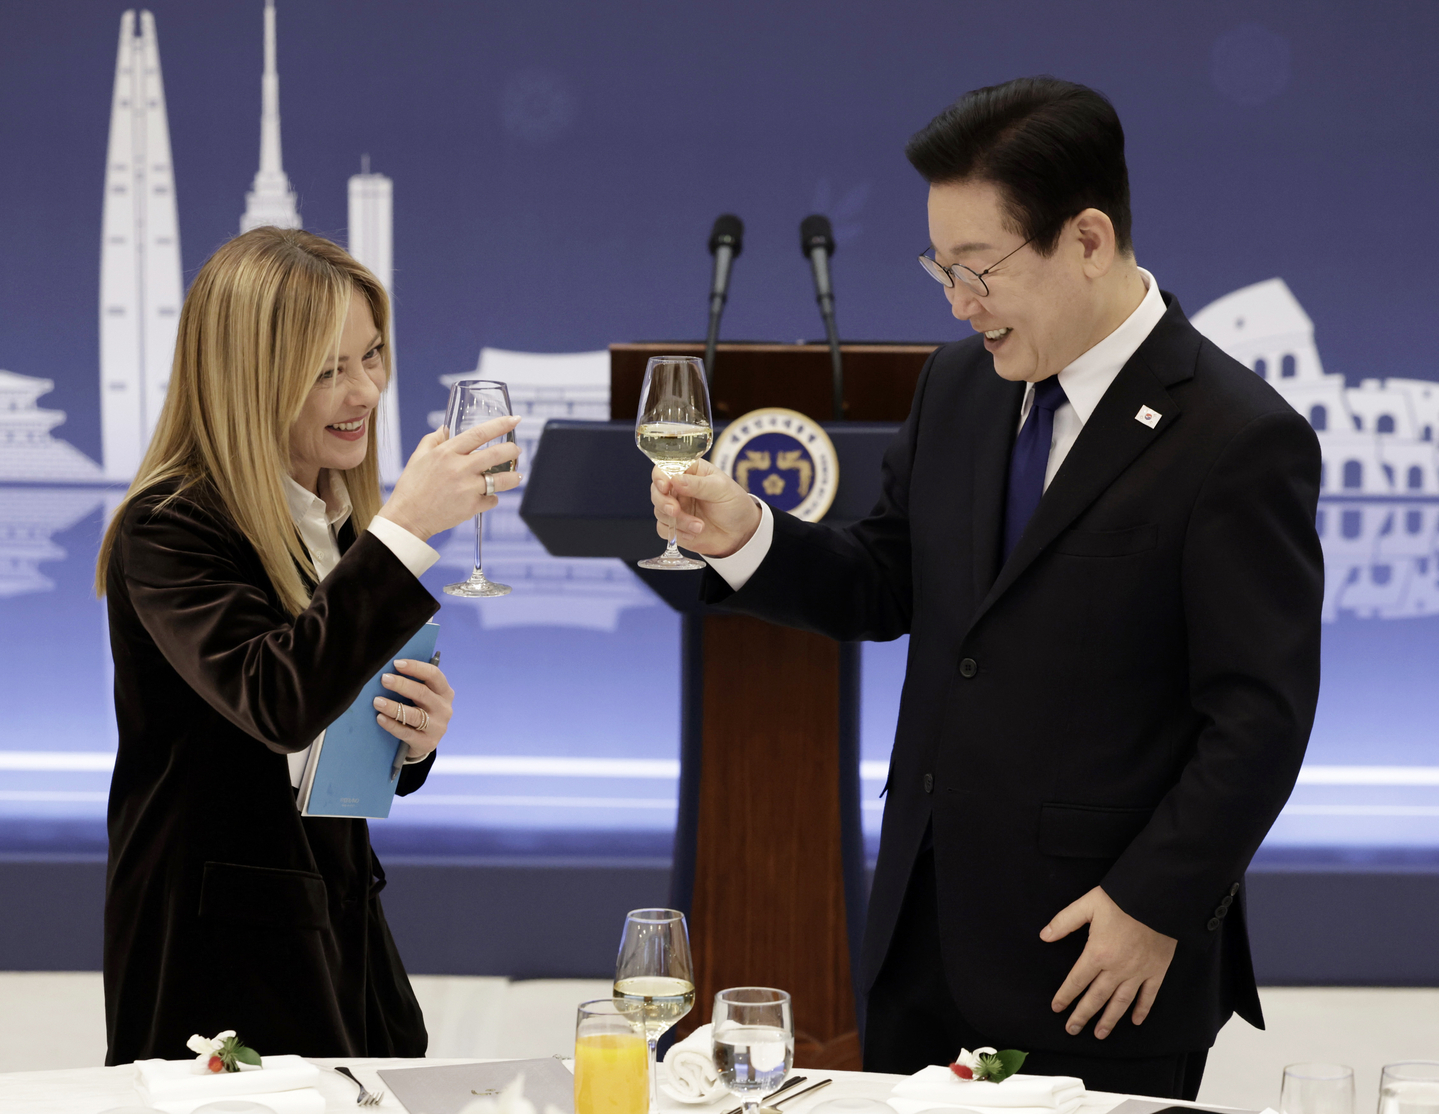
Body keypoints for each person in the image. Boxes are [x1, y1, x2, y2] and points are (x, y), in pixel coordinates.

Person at [650, 78, 1323, 1098]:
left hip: (1096, 958)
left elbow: (1257, 716)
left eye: (978, 270)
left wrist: (1155, 903)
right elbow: (884, 582)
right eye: (940, 269)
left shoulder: (1235, 436)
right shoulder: (957, 384)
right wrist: (748, 537)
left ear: (1086, 239)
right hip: (920, 943)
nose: (959, 304)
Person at [94, 227, 521, 1065]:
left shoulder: (337, 522)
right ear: (248, 377)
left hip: (340, 938)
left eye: (372, 355)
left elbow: (324, 736)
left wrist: (411, 741)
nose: (364, 390)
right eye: (328, 370)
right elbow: (276, 701)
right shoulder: (170, 526)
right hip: (215, 961)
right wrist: (404, 530)